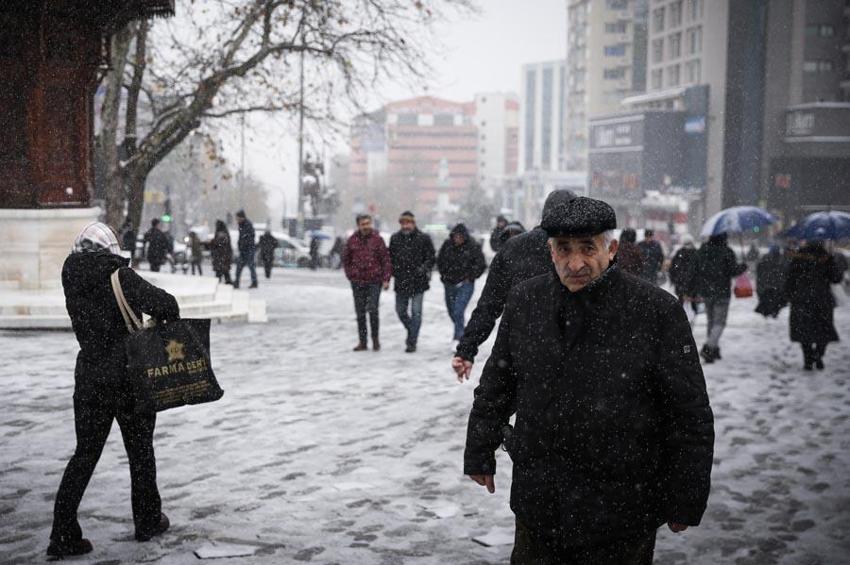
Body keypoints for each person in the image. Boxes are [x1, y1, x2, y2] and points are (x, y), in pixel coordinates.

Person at [464, 197, 714, 564]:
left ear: (611, 250)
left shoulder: (656, 311)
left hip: (623, 506)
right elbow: (498, 383)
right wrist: (479, 449)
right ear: (551, 252)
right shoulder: (526, 301)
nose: (575, 263)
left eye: (588, 248)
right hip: (540, 500)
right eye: (564, 249)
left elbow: (689, 413)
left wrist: (686, 495)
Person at [47, 222, 179, 559]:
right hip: (128, 378)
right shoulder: (120, 276)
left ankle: (63, 532)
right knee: (140, 451)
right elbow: (167, 305)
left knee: (84, 455)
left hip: (90, 375)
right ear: (109, 247)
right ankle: (147, 519)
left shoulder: (71, 277)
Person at [453, 189, 576, 381]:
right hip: (572, 352)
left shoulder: (513, 248)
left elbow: (488, 306)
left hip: (519, 348)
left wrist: (466, 349)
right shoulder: (586, 251)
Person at [785, 241, 845, 370]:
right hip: (822, 300)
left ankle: (808, 359)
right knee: (823, 330)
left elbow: (789, 279)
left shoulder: (798, 258)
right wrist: (831, 261)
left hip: (801, 300)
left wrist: (790, 295)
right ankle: (818, 354)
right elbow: (836, 278)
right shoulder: (826, 258)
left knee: (803, 331)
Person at [694, 232, 747, 363]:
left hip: (706, 292)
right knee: (719, 323)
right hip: (722, 292)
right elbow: (733, 271)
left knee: (711, 321)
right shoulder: (727, 251)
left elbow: (696, 269)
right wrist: (743, 267)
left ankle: (713, 350)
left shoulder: (702, 250)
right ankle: (709, 347)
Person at [343, 214, 392, 351]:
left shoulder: (378, 240)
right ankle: (363, 342)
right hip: (357, 281)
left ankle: (375, 340)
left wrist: (386, 279)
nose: (366, 226)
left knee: (373, 310)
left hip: (374, 281)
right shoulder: (352, 240)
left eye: (368, 223)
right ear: (358, 225)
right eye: (363, 224)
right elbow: (346, 260)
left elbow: (385, 260)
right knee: (360, 313)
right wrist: (351, 275)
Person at [389, 211, 436, 353]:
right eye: (403, 223)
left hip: (418, 282)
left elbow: (431, 257)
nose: (406, 226)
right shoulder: (395, 238)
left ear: (413, 223)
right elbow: (390, 257)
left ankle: (412, 341)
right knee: (400, 311)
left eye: (408, 223)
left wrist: (423, 269)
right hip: (401, 280)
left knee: (416, 312)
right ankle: (412, 330)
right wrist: (394, 272)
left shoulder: (423, 238)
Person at [437, 223, 487, 342]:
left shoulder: (473, 246)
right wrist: (444, 275)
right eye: (456, 236)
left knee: (458, 310)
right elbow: (440, 261)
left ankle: (458, 338)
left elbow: (481, 264)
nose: (458, 239)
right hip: (449, 283)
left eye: (460, 236)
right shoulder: (447, 245)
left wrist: (471, 276)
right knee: (452, 311)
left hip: (466, 283)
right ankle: (462, 330)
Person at [669, 234, 700, 321]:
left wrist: (674, 279)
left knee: (681, 303)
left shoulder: (679, 253)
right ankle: (693, 318)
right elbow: (699, 270)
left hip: (681, 283)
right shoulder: (696, 253)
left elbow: (673, 269)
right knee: (693, 303)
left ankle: (681, 318)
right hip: (692, 284)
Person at [754, 244, 787, 319]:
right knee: (775, 302)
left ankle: (767, 313)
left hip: (767, 286)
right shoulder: (782, 259)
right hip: (777, 286)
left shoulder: (765, 259)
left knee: (767, 302)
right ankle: (773, 313)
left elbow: (759, 271)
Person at [233, 210, 257, 289]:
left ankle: (254, 282)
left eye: (237, 218)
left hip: (249, 249)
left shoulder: (248, 225)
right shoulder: (241, 224)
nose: (236, 219)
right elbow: (241, 237)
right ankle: (237, 282)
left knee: (251, 266)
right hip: (243, 249)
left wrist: (244, 244)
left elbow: (249, 237)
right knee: (239, 266)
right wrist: (240, 245)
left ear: (241, 217)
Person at [210, 220, 233, 285]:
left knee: (220, 271)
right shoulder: (224, 231)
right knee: (225, 271)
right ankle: (226, 282)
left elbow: (219, 242)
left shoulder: (221, 233)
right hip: (224, 254)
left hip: (221, 255)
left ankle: (219, 283)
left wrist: (213, 242)